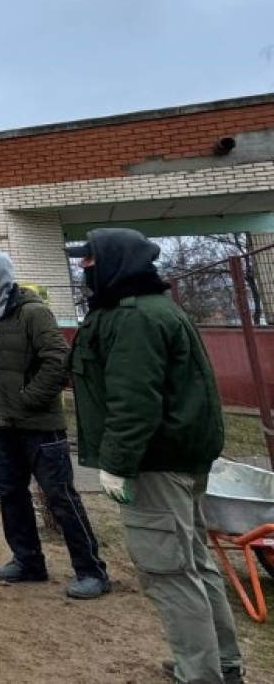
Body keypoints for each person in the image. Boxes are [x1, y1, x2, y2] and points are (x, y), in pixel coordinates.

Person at [67, 229, 244, 683]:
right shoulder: (147, 310)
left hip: (157, 465)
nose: (84, 269)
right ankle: (218, 663)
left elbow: (134, 400)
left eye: (89, 261)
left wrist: (117, 463)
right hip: (178, 460)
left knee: (168, 571)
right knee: (194, 564)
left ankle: (199, 673)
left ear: (113, 263)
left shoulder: (135, 318)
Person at [0, 249, 110, 599]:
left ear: (0, 274)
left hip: (38, 425)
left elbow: (58, 359)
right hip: (0, 422)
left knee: (60, 496)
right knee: (11, 495)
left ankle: (92, 571)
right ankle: (28, 561)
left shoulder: (32, 313)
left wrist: (29, 398)